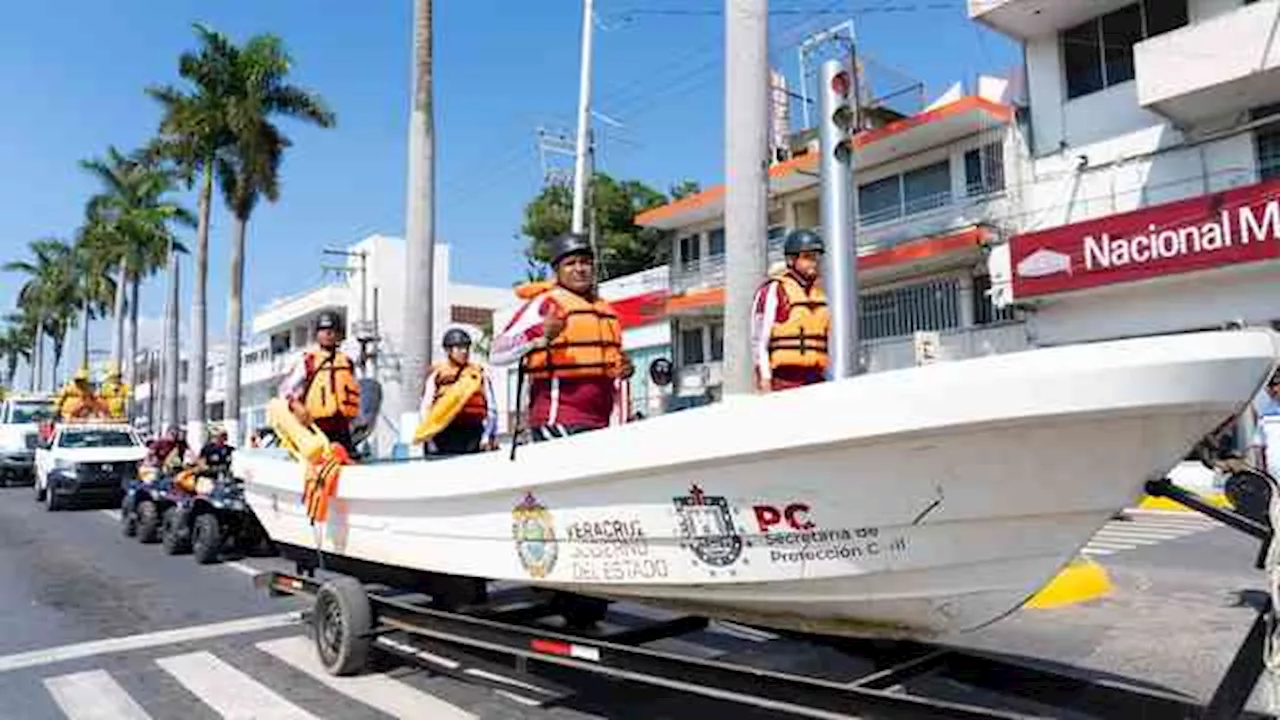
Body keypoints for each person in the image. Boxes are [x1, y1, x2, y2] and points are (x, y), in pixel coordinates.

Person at [491, 232, 633, 441]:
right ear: (557, 270)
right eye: (570, 263)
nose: (579, 269)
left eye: (585, 262)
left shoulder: (604, 308)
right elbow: (496, 353)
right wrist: (541, 338)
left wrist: (625, 367)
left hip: (601, 419)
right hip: (558, 418)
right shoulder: (545, 304)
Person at [751, 229, 830, 392]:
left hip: (817, 380)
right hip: (784, 381)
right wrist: (765, 380)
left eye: (816, 257)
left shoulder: (821, 295)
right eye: (807, 257)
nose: (813, 263)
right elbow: (759, 341)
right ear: (791, 260)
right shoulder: (773, 290)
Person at [278, 311, 362, 455]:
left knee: (347, 461)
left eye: (332, 330)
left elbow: (356, 390)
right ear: (317, 334)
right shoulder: (307, 361)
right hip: (316, 427)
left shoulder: (347, 362)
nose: (328, 334)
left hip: (342, 429)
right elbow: (285, 390)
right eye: (323, 330)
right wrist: (295, 404)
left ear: (338, 334)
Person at [418, 328, 498, 457]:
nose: (465, 352)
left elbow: (491, 408)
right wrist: (429, 436)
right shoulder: (437, 374)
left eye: (466, 348)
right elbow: (426, 407)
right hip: (444, 431)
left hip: (473, 431)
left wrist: (488, 435)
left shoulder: (478, 373)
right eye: (459, 348)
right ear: (449, 350)